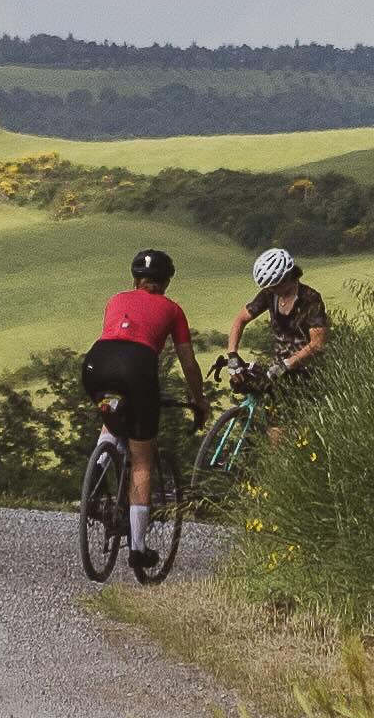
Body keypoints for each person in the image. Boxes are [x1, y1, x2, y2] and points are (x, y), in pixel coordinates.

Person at [80, 247, 208, 581]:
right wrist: (199, 400)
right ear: (165, 281)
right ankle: (137, 547)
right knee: (141, 459)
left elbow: (117, 336)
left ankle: (94, 480)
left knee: (111, 420)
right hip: (136, 369)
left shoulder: (115, 299)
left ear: (136, 278)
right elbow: (188, 364)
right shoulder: (172, 309)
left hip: (97, 365)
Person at [225, 246, 329, 384]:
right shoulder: (270, 294)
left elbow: (317, 343)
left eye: (274, 286)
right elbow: (240, 319)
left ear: (287, 278)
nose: (270, 290)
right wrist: (232, 355)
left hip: (308, 372)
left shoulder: (310, 299)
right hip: (277, 372)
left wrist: (287, 364)